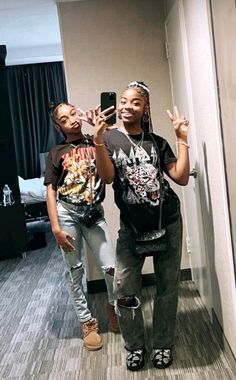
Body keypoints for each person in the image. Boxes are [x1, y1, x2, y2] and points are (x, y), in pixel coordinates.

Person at [93, 81, 189, 370]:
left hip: (167, 221)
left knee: (167, 287)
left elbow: (181, 178)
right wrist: (98, 140)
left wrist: (181, 138)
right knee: (124, 289)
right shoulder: (110, 139)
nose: (126, 106)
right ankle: (134, 346)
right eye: (123, 100)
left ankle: (162, 343)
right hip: (131, 230)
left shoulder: (157, 142)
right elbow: (108, 178)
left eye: (135, 102)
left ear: (145, 108)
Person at [44, 101, 119, 352]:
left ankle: (113, 308)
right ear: (58, 126)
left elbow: (116, 140)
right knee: (75, 272)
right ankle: (87, 322)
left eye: (74, 113)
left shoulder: (95, 140)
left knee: (111, 266)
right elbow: (50, 191)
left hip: (94, 215)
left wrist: (96, 125)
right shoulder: (56, 152)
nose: (72, 120)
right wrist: (55, 227)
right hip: (68, 216)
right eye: (65, 119)